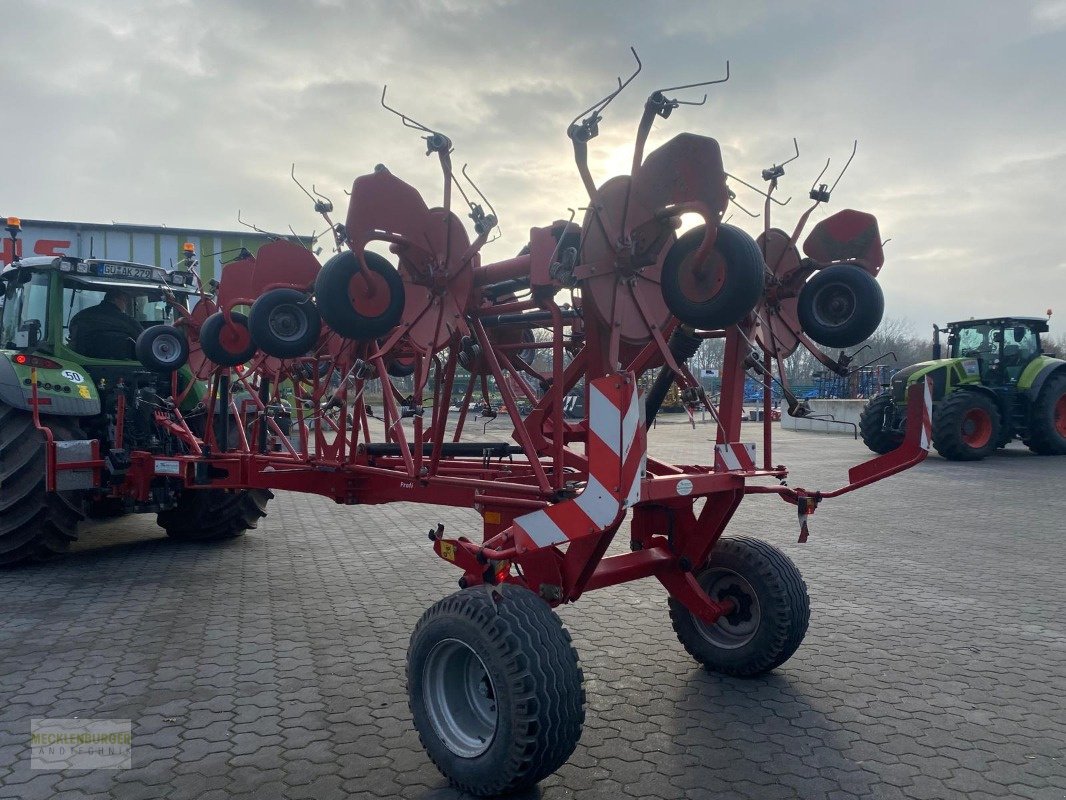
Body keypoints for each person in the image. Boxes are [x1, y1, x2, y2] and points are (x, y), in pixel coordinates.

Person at [68, 288, 144, 359]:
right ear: (116, 299)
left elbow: (73, 339)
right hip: (124, 364)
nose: (125, 305)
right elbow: (143, 340)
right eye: (125, 301)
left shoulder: (81, 316)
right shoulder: (128, 321)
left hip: (82, 360)